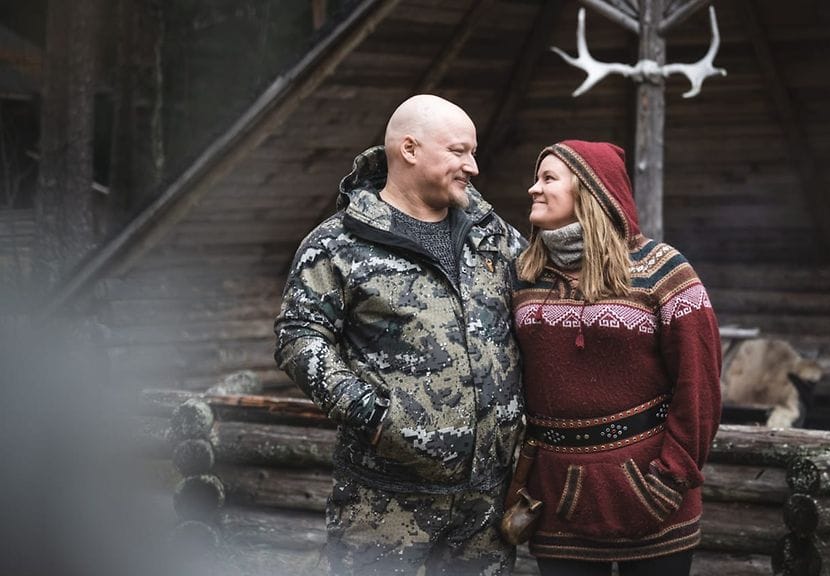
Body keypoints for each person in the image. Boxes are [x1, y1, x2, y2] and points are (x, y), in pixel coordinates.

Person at [274, 94, 527, 575]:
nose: (473, 166)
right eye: (458, 151)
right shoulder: (337, 243)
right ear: (409, 149)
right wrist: (372, 415)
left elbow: (547, 294)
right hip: (385, 501)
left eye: (473, 152)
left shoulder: (493, 235)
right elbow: (298, 336)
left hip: (486, 501)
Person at [512, 140, 722, 575]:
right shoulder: (524, 275)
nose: (534, 188)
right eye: (536, 178)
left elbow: (700, 383)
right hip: (558, 497)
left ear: (591, 190)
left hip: (653, 492)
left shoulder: (662, 270)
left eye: (548, 178)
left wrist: (670, 478)